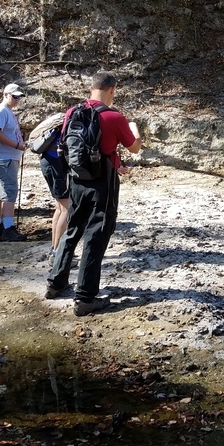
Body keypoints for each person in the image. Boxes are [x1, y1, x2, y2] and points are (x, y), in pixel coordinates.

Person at [45, 72, 141, 316]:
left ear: (91, 88)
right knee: (96, 237)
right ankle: (85, 298)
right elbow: (134, 147)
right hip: (102, 184)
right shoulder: (114, 116)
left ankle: (55, 283)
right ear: (112, 89)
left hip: (76, 179)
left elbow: (66, 144)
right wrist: (135, 130)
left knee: (73, 229)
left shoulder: (72, 112)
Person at [0, 83, 27, 241]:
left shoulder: (7, 112)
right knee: (9, 191)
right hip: (3, 158)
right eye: (14, 96)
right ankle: (7, 228)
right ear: (5, 95)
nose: (17, 99)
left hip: (8, 157)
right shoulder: (0, 111)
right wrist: (17, 145)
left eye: (19, 97)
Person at [31, 112, 69, 256]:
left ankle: (55, 248)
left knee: (60, 208)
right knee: (66, 209)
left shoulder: (65, 121)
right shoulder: (74, 123)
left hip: (48, 162)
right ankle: (58, 253)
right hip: (56, 165)